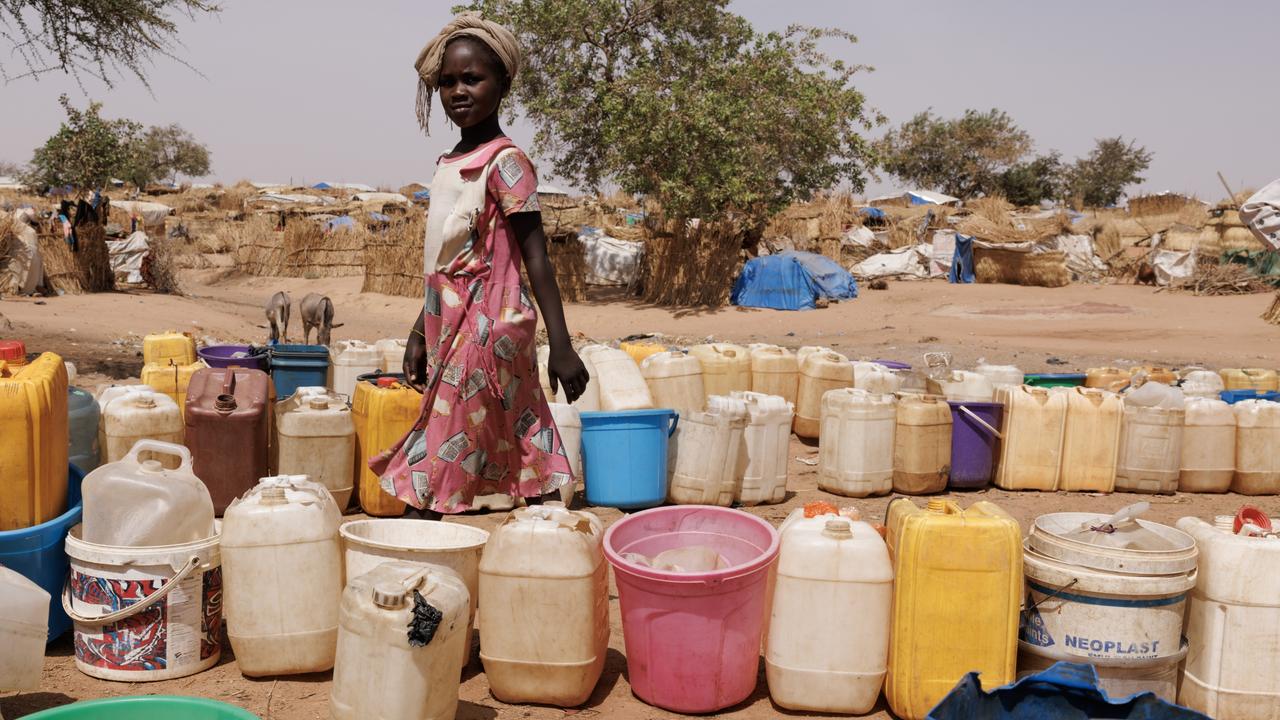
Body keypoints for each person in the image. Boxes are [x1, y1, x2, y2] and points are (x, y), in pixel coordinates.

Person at [370, 13, 590, 518]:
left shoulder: (506, 162)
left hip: (490, 322)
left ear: (503, 83)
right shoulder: (449, 161)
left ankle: (426, 539)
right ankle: (549, 533)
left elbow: (536, 254)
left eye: (472, 78)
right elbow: (442, 262)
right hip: (451, 319)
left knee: (443, 435)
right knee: (520, 425)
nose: (457, 91)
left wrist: (562, 346)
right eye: (447, 82)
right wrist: (418, 331)